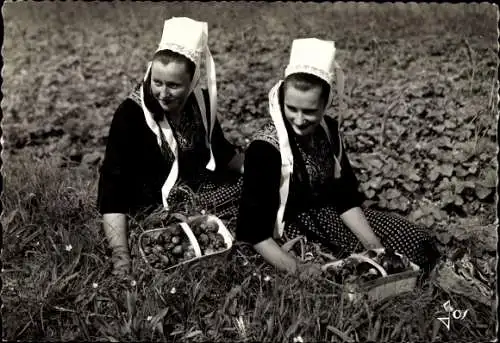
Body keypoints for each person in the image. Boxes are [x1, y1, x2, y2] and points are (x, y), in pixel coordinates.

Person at [236, 38, 439, 279]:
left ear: (326, 103)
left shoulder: (328, 130)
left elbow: (345, 198)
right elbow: (255, 232)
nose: (299, 120)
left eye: (310, 111)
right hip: (286, 227)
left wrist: (376, 249)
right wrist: (299, 270)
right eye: (292, 108)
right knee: (340, 273)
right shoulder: (265, 149)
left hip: (328, 216)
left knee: (415, 240)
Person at [97, 17, 244, 277]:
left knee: (258, 187)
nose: (163, 93)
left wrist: (259, 170)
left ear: (192, 82)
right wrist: (121, 258)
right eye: (157, 82)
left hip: (197, 188)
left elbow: (221, 152)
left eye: (174, 85)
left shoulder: (202, 104)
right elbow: (112, 188)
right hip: (152, 206)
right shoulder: (131, 114)